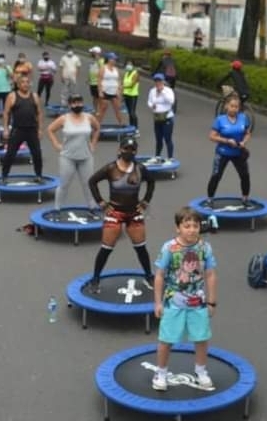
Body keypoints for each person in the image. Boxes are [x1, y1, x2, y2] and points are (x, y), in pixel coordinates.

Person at [151, 206, 219, 391]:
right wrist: (157, 302)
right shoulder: (169, 248)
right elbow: (159, 275)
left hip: (198, 302)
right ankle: (161, 372)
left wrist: (212, 302)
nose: (191, 230)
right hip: (173, 302)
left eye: (195, 226)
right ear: (178, 228)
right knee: (166, 339)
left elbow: (211, 274)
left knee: (201, 337)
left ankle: (201, 370)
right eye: (187, 226)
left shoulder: (204, 247)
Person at [88, 135, 157, 291]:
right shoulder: (110, 168)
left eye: (133, 150)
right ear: (120, 150)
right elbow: (92, 181)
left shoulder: (140, 168)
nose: (129, 152)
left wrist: (146, 201)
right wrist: (101, 202)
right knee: (106, 248)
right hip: (115, 212)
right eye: (126, 149)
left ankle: (148, 276)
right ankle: (95, 278)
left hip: (134, 213)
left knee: (141, 247)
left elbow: (151, 181)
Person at [47, 94, 100, 210]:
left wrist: (93, 143)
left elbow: (97, 128)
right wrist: (56, 144)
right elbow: (50, 129)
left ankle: (92, 207)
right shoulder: (64, 119)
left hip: (86, 157)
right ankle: (57, 208)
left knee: (88, 184)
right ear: (70, 104)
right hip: (67, 157)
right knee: (64, 184)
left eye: (80, 102)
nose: (78, 105)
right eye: (75, 102)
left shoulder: (89, 118)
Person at [205, 92, 252, 207]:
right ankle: (210, 198)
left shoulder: (243, 118)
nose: (234, 109)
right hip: (223, 153)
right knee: (216, 175)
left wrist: (244, 142)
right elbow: (212, 136)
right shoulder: (220, 120)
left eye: (236, 107)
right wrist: (226, 141)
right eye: (232, 106)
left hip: (238, 152)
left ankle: (245, 198)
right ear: (226, 106)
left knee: (245, 175)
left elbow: (247, 133)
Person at [0, 74, 45, 182]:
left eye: (27, 82)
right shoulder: (12, 96)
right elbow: (6, 113)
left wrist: (40, 129)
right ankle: (4, 175)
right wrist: (5, 129)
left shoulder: (34, 96)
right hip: (18, 130)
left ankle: (38, 175)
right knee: (10, 153)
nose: (25, 84)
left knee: (37, 154)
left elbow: (39, 113)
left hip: (32, 130)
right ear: (18, 84)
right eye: (23, 82)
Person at [147, 73, 176, 162]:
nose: (157, 83)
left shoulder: (168, 91)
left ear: (163, 81)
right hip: (157, 118)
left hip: (167, 118)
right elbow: (149, 101)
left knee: (167, 138)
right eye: (156, 81)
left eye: (159, 81)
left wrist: (162, 91)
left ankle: (170, 157)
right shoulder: (152, 91)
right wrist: (151, 106)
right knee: (158, 138)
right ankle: (157, 156)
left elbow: (171, 101)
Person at [97, 52, 126, 125]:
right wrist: (100, 91)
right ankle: (97, 125)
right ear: (109, 60)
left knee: (117, 109)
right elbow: (99, 80)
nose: (115, 61)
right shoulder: (103, 68)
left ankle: (121, 124)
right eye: (113, 59)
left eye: (115, 59)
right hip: (105, 91)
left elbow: (119, 80)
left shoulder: (116, 69)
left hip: (114, 92)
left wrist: (119, 90)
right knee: (102, 109)